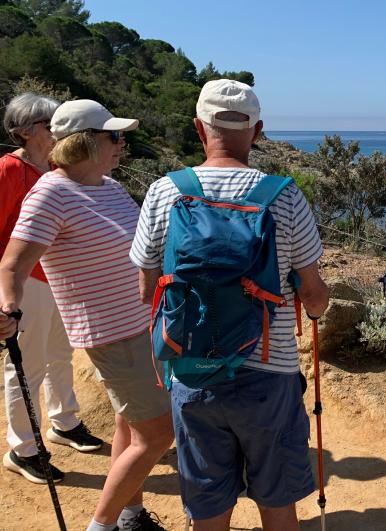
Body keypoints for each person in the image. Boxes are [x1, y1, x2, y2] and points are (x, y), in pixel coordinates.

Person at [130, 79, 329, 531]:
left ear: (199, 128)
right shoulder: (285, 196)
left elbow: (148, 293)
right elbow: (314, 295)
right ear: (256, 132)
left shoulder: (166, 192)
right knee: (277, 502)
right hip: (269, 373)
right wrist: (314, 309)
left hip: (191, 368)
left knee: (208, 507)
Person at [0, 99, 172, 531]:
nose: (122, 143)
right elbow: (13, 265)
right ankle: (102, 525)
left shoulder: (109, 187)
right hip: (112, 333)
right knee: (158, 433)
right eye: (113, 136)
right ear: (83, 143)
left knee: (130, 429)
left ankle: (131, 516)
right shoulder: (51, 193)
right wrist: (8, 306)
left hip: (144, 323)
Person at [1, 92, 104, 484]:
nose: (58, 132)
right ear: (25, 132)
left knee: (61, 352)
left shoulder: (56, 168)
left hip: (61, 278)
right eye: (49, 126)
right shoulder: (10, 169)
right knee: (26, 364)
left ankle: (64, 422)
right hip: (27, 281)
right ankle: (23, 448)